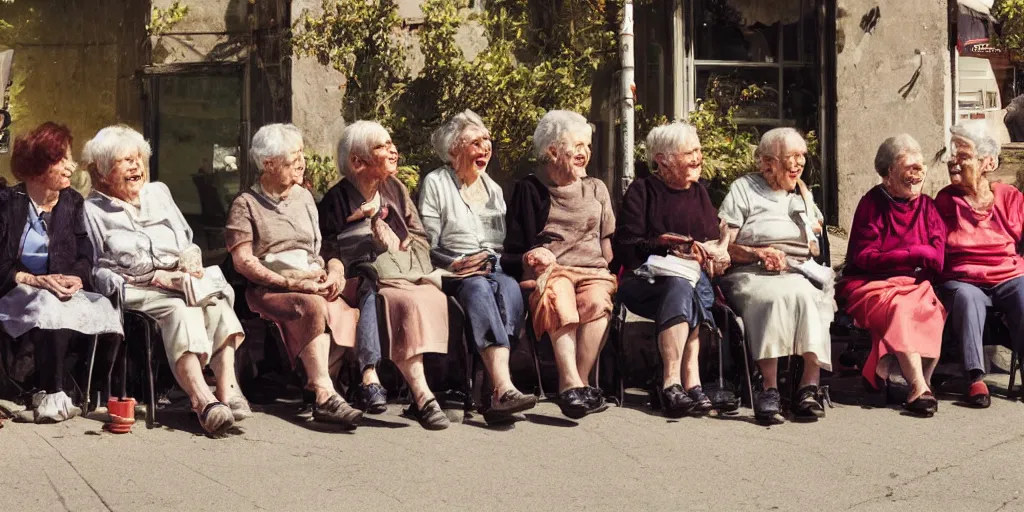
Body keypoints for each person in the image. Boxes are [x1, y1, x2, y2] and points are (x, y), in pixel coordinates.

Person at [83, 125, 247, 436]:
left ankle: (228, 390)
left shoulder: (159, 193)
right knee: (181, 309)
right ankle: (203, 401)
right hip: (136, 288)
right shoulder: (92, 210)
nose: (136, 166)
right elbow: (96, 268)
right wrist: (156, 276)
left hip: (181, 280)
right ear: (104, 171)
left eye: (138, 158)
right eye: (124, 161)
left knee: (214, 302)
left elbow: (186, 239)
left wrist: (189, 260)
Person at [225, 123, 363, 429]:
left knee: (353, 306)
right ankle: (326, 395)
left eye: (301, 154)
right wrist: (291, 282)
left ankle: (314, 384)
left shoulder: (303, 197)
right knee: (313, 306)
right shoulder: (245, 205)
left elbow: (325, 248)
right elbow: (243, 261)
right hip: (270, 288)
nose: (300, 163)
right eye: (292, 159)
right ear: (268, 164)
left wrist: (335, 272)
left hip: (311, 280)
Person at [319, 120, 451, 430]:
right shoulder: (336, 200)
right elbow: (326, 250)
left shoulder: (396, 189)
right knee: (396, 298)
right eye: (382, 146)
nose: (393, 150)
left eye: (391, 143)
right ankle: (421, 396)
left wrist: (401, 241)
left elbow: (419, 236)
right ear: (357, 161)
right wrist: (362, 228)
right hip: (360, 278)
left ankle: (387, 383)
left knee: (426, 295)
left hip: (399, 272)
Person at [418, 110, 537, 422]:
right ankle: (501, 388)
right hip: (453, 269)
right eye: (475, 142)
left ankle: (491, 389)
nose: (485, 148)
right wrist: (458, 263)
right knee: (479, 288)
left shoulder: (493, 189)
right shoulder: (436, 183)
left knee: (510, 289)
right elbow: (426, 243)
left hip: (492, 266)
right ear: (454, 150)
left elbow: (499, 245)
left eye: (487, 141)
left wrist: (492, 261)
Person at [0, 122, 121, 423]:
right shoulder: (8, 204)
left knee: (104, 307)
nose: (71, 167)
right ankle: (51, 392)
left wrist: (77, 277)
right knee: (49, 303)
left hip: (61, 288)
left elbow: (85, 255)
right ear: (40, 164)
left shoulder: (72, 202)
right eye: (62, 159)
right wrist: (36, 280)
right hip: (16, 290)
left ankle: (85, 391)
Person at [503, 110, 616, 419]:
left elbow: (607, 247)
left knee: (597, 300)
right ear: (552, 151)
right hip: (550, 273)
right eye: (577, 146)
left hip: (592, 271)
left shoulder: (597, 188)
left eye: (588, 146)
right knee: (560, 291)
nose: (585, 153)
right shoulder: (530, 189)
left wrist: (605, 272)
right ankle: (570, 384)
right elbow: (513, 251)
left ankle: (576, 385)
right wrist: (531, 258)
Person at [614, 121, 730, 417]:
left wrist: (716, 253)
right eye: (689, 152)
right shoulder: (642, 191)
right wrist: (661, 243)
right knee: (681, 285)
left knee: (685, 285)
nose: (697, 158)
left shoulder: (700, 193)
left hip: (690, 281)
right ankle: (682, 381)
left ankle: (676, 385)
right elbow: (627, 246)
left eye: (698, 150)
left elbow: (709, 240)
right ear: (662, 160)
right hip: (645, 281)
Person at [718, 127, 833, 423]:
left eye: (801, 157)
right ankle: (768, 388)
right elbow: (724, 245)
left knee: (812, 297)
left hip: (796, 271)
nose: (798, 165)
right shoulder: (744, 189)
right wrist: (758, 253)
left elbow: (816, 243)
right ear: (767, 163)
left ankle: (809, 387)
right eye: (790, 158)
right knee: (773, 298)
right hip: (750, 272)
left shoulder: (802, 195)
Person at [838, 134, 946, 416]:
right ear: (888, 175)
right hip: (869, 286)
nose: (917, 175)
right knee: (900, 308)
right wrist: (912, 254)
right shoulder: (872, 203)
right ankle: (919, 388)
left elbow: (937, 257)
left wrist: (907, 258)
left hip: (915, 285)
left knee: (931, 309)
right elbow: (863, 258)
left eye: (920, 168)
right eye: (909, 169)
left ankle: (880, 369)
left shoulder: (927, 207)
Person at [935, 122, 1024, 409]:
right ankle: (975, 377)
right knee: (966, 298)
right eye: (953, 154)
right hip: (964, 277)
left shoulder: (1009, 197)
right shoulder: (946, 200)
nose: (953, 161)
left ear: (988, 162)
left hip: (1008, 274)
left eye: (963, 155)